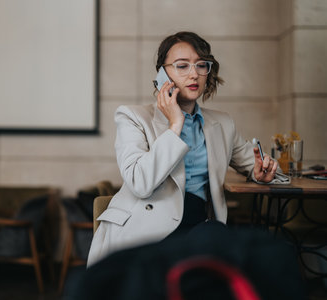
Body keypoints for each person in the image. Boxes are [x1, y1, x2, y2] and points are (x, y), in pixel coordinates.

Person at [87, 31, 286, 267]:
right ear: (162, 74)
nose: (194, 74)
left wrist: (261, 173)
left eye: (201, 65)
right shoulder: (133, 117)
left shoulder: (222, 123)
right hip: (145, 229)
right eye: (182, 66)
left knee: (258, 251)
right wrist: (175, 125)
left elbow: (257, 166)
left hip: (200, 228)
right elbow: (140, 183)